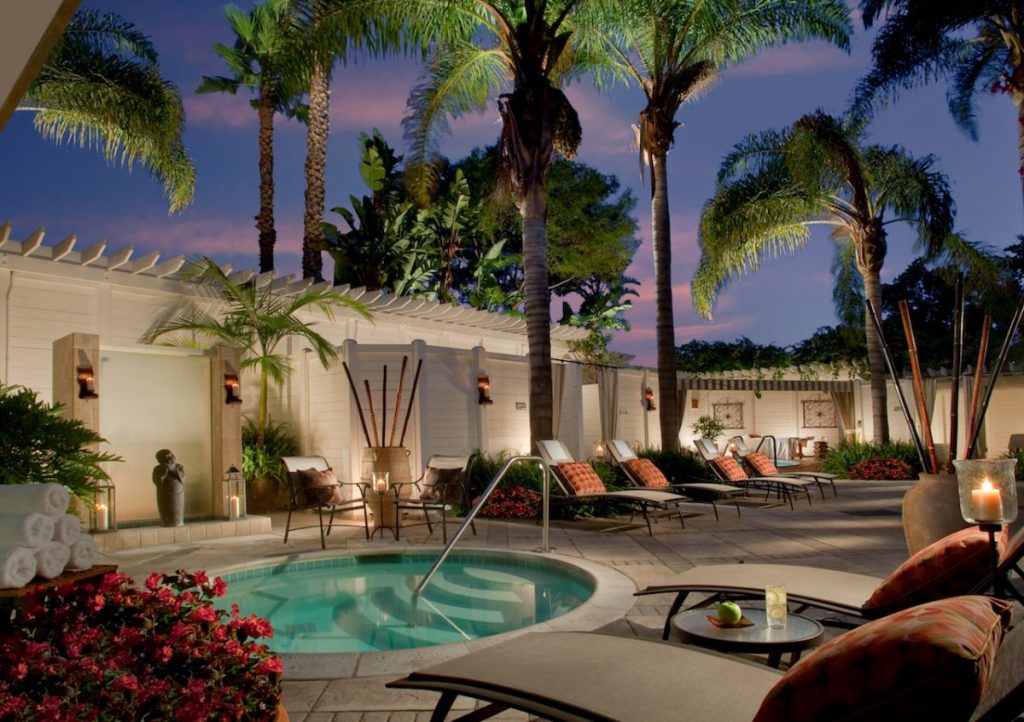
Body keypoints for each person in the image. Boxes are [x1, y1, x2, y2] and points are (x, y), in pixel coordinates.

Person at [152, 449, 185, 526]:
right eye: (167, 457)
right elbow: (156, 480)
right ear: (161, 460)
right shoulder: (158, 469)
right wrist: (164, 472)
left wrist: (173, 470)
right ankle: (166, 522)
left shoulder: (178, 467)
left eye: (172, 455)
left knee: (178, 507)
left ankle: (178, 522)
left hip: (178, 493)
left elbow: (182, 476)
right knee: (166, 508)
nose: (171, 458)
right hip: (164, 493)